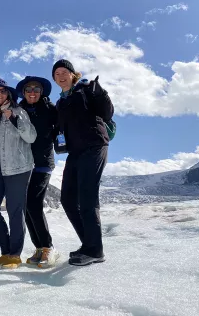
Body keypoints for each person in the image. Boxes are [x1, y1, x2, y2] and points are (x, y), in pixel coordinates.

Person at [52, 59, 114, 266]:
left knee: (87, 197)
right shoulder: (61, 102)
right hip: (75, 152)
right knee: (68, 199)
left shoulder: (86, 90)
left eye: (64, 72)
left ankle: (95, 250)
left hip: (95, 146)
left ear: (72, 74)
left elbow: (107, 113)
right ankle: (88, 244)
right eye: (56, 74)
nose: (60, 76)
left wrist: (100, 93)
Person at [0, 79, 37, 269]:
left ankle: (15, 254)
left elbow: (31, 137)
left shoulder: (18, 112)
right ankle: (5, 252)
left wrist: (14, 119)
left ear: (8, 95)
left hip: (18, 168)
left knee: (15, 210)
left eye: (3, 92)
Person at [16, 76, 60, 268]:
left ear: (42, 92)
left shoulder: (50, 109)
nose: (32, 92)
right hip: (24, 164)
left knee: (33, 203)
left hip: (42, 163)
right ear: (23, 92)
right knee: (26, 206)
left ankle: (48, 247)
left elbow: (62, 128)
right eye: (29, 89)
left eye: (36, 89)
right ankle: (39, 248)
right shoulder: (19, 110)